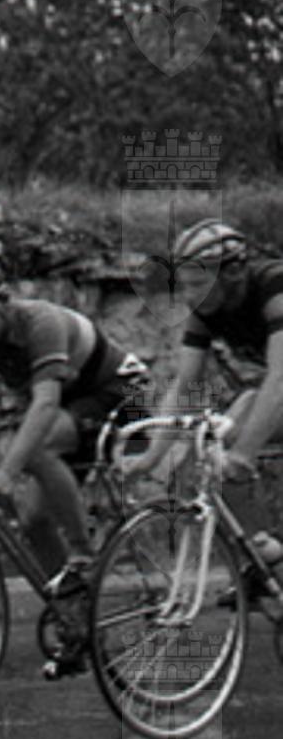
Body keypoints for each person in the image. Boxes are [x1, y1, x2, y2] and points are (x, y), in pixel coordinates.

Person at [0, 262, 138, 597]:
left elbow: (44, 404)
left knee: (37, 449)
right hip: (69, 405)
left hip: (116, 393)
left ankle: (83, 556)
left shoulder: (41, 322)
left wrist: (7, 473)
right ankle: (72, 604)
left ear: (1, 304)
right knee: (32, 519)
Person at [130, 219, 283, 600]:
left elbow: (281, 378)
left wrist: (246, 454)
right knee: (218, 446)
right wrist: (152, 457)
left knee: (242, 441)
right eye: (183, 285)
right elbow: (185, 385)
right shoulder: (206, 309)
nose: (188, 295)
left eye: (197, 284)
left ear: (232, 274)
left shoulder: (274, 286)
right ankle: (265, 556)